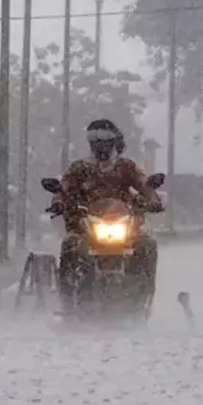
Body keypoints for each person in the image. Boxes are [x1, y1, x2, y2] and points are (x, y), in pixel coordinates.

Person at [55, 119, 163, 313]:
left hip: (125, 226)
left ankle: (143, 296)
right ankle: (67, 301)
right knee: (70, 245)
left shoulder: (126, 167)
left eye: (104, 139)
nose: (99, 144)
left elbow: (145, 185)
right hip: (85, 227)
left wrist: (152, 200)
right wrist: (59, 202)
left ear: (115, 141)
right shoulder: (79, 168)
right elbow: (64, 188)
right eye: (94, 139)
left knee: (147, 244)